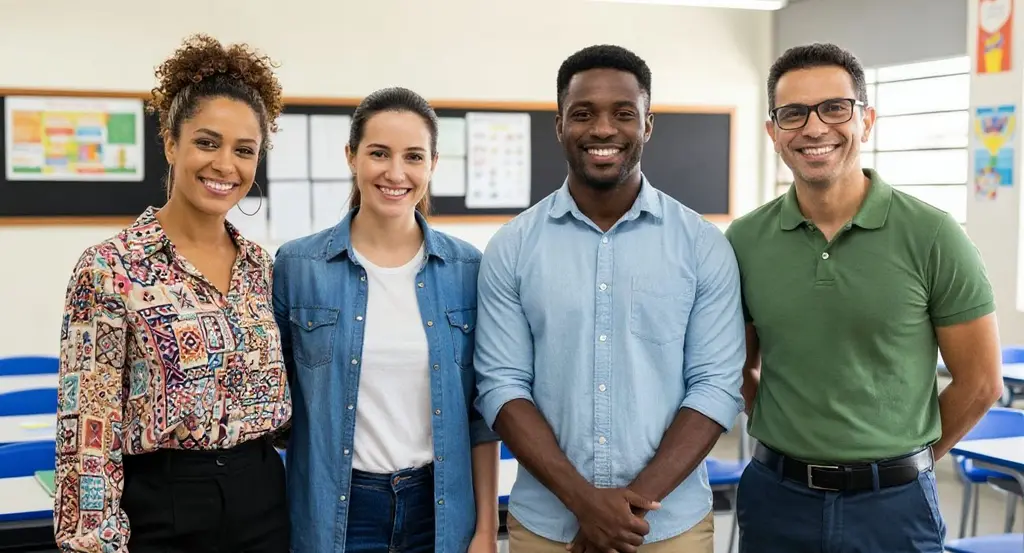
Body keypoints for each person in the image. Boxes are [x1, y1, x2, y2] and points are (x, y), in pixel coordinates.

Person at [724, 42, 1004, 553]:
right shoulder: (744, 241)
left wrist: (906, 459)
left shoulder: (933, 234)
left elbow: (982, 381)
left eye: (835, 108)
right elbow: (737, 367)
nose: (814, 128)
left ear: (866, 120)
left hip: (895, 507)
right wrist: (793, 433)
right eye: (793, 114)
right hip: (777, 497)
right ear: (773, 132)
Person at [473, 44, 746, 553]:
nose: (603, 129)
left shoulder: (703, 244)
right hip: (549, 530)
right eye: (583, 114)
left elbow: (714, 387)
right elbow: (502, 386)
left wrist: (621, 516)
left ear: (647, 125)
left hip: (670, 530)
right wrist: (585, 504)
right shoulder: (512, 247)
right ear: (559, 126)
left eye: (623, 113)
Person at [53, 34, 292, 553]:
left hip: (264, 500)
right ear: (169, 142)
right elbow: (86, 433)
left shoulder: (263, 269)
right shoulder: (110, 268)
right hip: (164, 508)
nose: (225, 165)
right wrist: (95, 543)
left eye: (244, 150)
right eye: (207, 142)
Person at [272, 86, 501, 553]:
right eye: (379, 153)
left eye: (413, 157)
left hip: (437, 511)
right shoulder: (297, 267)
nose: (396, 173)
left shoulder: (466, 270)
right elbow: (276, 408)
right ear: (351, 157)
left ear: (433, 164)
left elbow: (481, 416)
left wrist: (484, 530)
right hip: (336, 510)